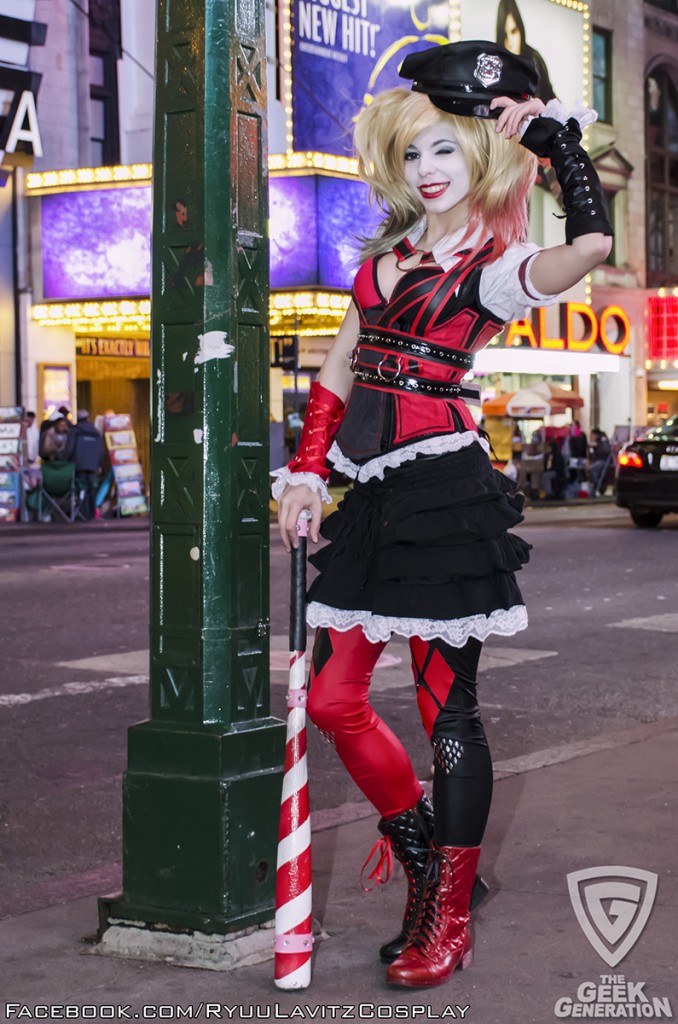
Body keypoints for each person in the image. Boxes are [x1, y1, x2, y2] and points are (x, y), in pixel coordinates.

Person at [272, 39, 612, 989]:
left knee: (449, 718)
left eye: (447, 152)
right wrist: (305, 473)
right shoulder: (386, 260)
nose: (427, 171)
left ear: (483, 161)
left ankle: (449, 916)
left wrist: (558, 144)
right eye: (415, 152)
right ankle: (422, 851)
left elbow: (591, 247)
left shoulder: (497, 268)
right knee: (335, 700)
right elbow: (342, 365)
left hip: (445, 496)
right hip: (371, 497)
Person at [496, 0, 557, 104]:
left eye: (513, 31)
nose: (510, 41)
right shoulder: (498, 64)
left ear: (520, 29)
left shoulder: (534, 59)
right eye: (505, 35)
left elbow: (545, 99)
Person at [64, 410, 104, 519]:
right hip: (93, 466)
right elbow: (101, 451)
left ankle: (82, 513)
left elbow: (69, 449)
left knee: (81, 489)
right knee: (92, 489)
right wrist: (99, 464)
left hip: (79, 465)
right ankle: (91, 513)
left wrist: (65, 460)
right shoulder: (96, 432)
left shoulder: (74, 431)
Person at [589, 427, 611, 495]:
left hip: (602, 460)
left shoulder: (602, 440)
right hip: (595, 460)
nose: (591, 437)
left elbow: (606, 450)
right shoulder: (596, 442)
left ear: (596, 435)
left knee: (592, 469)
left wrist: (597, 446)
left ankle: (596, 484)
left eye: (592, 435)